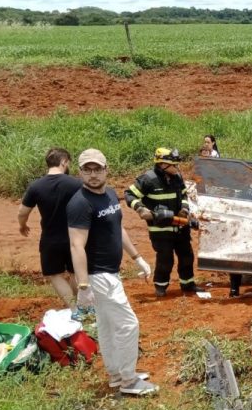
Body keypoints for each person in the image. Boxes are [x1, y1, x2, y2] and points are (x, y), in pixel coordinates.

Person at [67, 148, 157, 396]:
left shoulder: (109, 194)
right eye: (87, 170)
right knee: (128, 324)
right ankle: (129, 380)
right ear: (80, 172)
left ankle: (117, 375)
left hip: (110, 272)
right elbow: (76, 245)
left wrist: (137, 257)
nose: (93, 174)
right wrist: (83, 285)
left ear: (106, 169)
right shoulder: (80, 203)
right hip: (98, 275)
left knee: (106, 326)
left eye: (97, 169)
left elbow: (118, 228)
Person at [124, 147, 203, 297]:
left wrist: (184, 209)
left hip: (180, 226)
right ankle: (160, 287)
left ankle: (188, 285)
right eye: (173, 165)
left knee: (187, 256)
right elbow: (129, 194)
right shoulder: (148, 179)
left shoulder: (177, 177)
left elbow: (184, 195)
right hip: (160, 229)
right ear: (162, 165)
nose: (177, 168)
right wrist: (140, 208)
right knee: (165, 259)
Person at [18, 147, 84, 313]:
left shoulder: (36, 186)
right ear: (64, 162)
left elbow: (22, 212)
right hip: (76, 237)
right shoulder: (76, 184)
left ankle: (74, 310)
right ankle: (82, 308)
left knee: (55, 275)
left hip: (50, 239)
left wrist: (22, 225)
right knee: (76, 272)